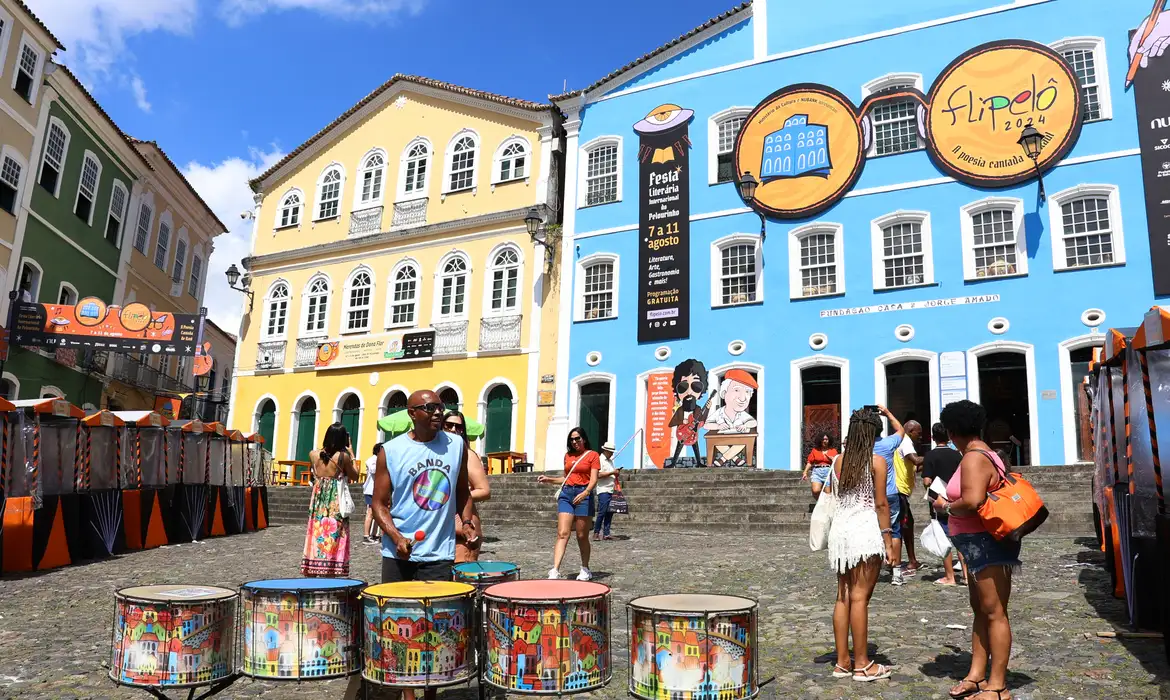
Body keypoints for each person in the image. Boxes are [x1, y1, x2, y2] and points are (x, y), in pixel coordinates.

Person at [370, 390, 474, 700]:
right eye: (429, 407)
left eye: (440, 406)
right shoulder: (391, 450)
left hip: (439, 555)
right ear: (411, 413)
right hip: (398, 555)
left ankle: (430, 694)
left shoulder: (456, 445)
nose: (438, 412)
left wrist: (466, 522)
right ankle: (408, 694)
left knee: (436, 632)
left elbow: (462, 490)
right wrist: (397, 537)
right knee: (400, 630)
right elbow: (378, 504)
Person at [934, 400, 1020, 700]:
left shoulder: (973, 458)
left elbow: (971, 500)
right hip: (976, 545)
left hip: (985, 544)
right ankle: (976, 674)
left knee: (995, 612)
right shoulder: (981, 454)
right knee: (981, 611)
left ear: (953, 430)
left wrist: (944, 505)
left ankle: (998, 687)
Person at [827, 407, 896, 682]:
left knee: (843, 595)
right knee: (860, 598)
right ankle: (863, 664)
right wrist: (889, 541)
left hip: (841, 533)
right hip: (865, 532)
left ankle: (843, 661)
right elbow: (880, 504)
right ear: (874, 434)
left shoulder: (837, 461)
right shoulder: (877, 462)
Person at [538, 427, 599, 580]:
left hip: (583, 494)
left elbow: (594, 479)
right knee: (562, 533)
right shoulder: (568, 456)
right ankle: (555, 570)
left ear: (583, 439)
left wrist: (585, 493)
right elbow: (565, 478)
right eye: (571, 439)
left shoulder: (593, 455)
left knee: (581, 535)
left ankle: (585, 568)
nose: (574, 442)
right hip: (566, 494)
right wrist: (549, 479)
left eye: (577, 438)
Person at [301, 423, 360, 577]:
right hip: (335, 497)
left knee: (318, 529)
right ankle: (331, 567)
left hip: (319, 497)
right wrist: (352, 454)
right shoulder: (343, 457)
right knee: (335, 531)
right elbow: (355, 476)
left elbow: (315, 473)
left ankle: (315, 564)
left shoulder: (313, 454)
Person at [443, 410, 490, 562]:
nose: (453, 430)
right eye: (448, 425)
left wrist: (452, 497)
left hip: (462, 520)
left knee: (461, 578)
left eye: (459, 427)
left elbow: (484, 491)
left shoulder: (467, 455)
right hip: (441, 522)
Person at [922, 422, 965, 586]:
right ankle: (966, 576)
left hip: (938, 502)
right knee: (959, 537)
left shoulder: (930, 456)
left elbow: (927, 480)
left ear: (933, 438)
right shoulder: (957, 455)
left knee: (943, 538)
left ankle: (950, 576)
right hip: (956, 500)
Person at [870, 405, 908, 585]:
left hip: (869, 494)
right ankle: (896, 571)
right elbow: (901, 430)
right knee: (894, 531)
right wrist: (887, 413)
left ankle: (873, 569)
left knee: (873, 532)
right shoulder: (887, 444)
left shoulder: (863, 447)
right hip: (890, 492)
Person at [892, 420, 924, 579]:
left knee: (905, 525)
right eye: (919, 433)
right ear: (910, 431)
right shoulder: (906, 442)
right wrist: (937, 453)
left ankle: (911, 560)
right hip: (899, 491)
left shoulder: (900, 442)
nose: (921, 436)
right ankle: (905, 561)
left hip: (899, 490)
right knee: (904, 525)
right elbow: (916, 461)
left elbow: (913, 467)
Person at [593, 441, 620, 541]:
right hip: (603, 489)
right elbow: (598, 475)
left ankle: (606, 533)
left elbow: (610, 473)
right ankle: (596, 532)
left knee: (610, 512)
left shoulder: (610, 461)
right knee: (602, 512)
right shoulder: (599, 460)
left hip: (611, 488)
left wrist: (615, 473)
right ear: (605, 450)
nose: (612, 453)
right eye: (610, 451)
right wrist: (612, 472)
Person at [802, 434, 838, 498]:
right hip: (817, 471)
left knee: (828, 494)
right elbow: (810, 462)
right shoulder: (815, 450)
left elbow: (837, 463)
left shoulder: (833, 451)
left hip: (828, 472)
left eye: (826, 439)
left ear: (829, 440)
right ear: (820, 440)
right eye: (823, 439)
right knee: (816, 490)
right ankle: (819, 502)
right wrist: (805, 472)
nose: (825, 441)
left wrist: (833, 460)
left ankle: (825, 505)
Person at [362, 444, 382, 544]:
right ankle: (366, 535)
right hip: (371, 490)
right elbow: (374, 470)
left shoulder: (380, 460)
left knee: (378, 513)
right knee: (370, 513)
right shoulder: (372, 460)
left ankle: (375, 534)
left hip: (379, 490)